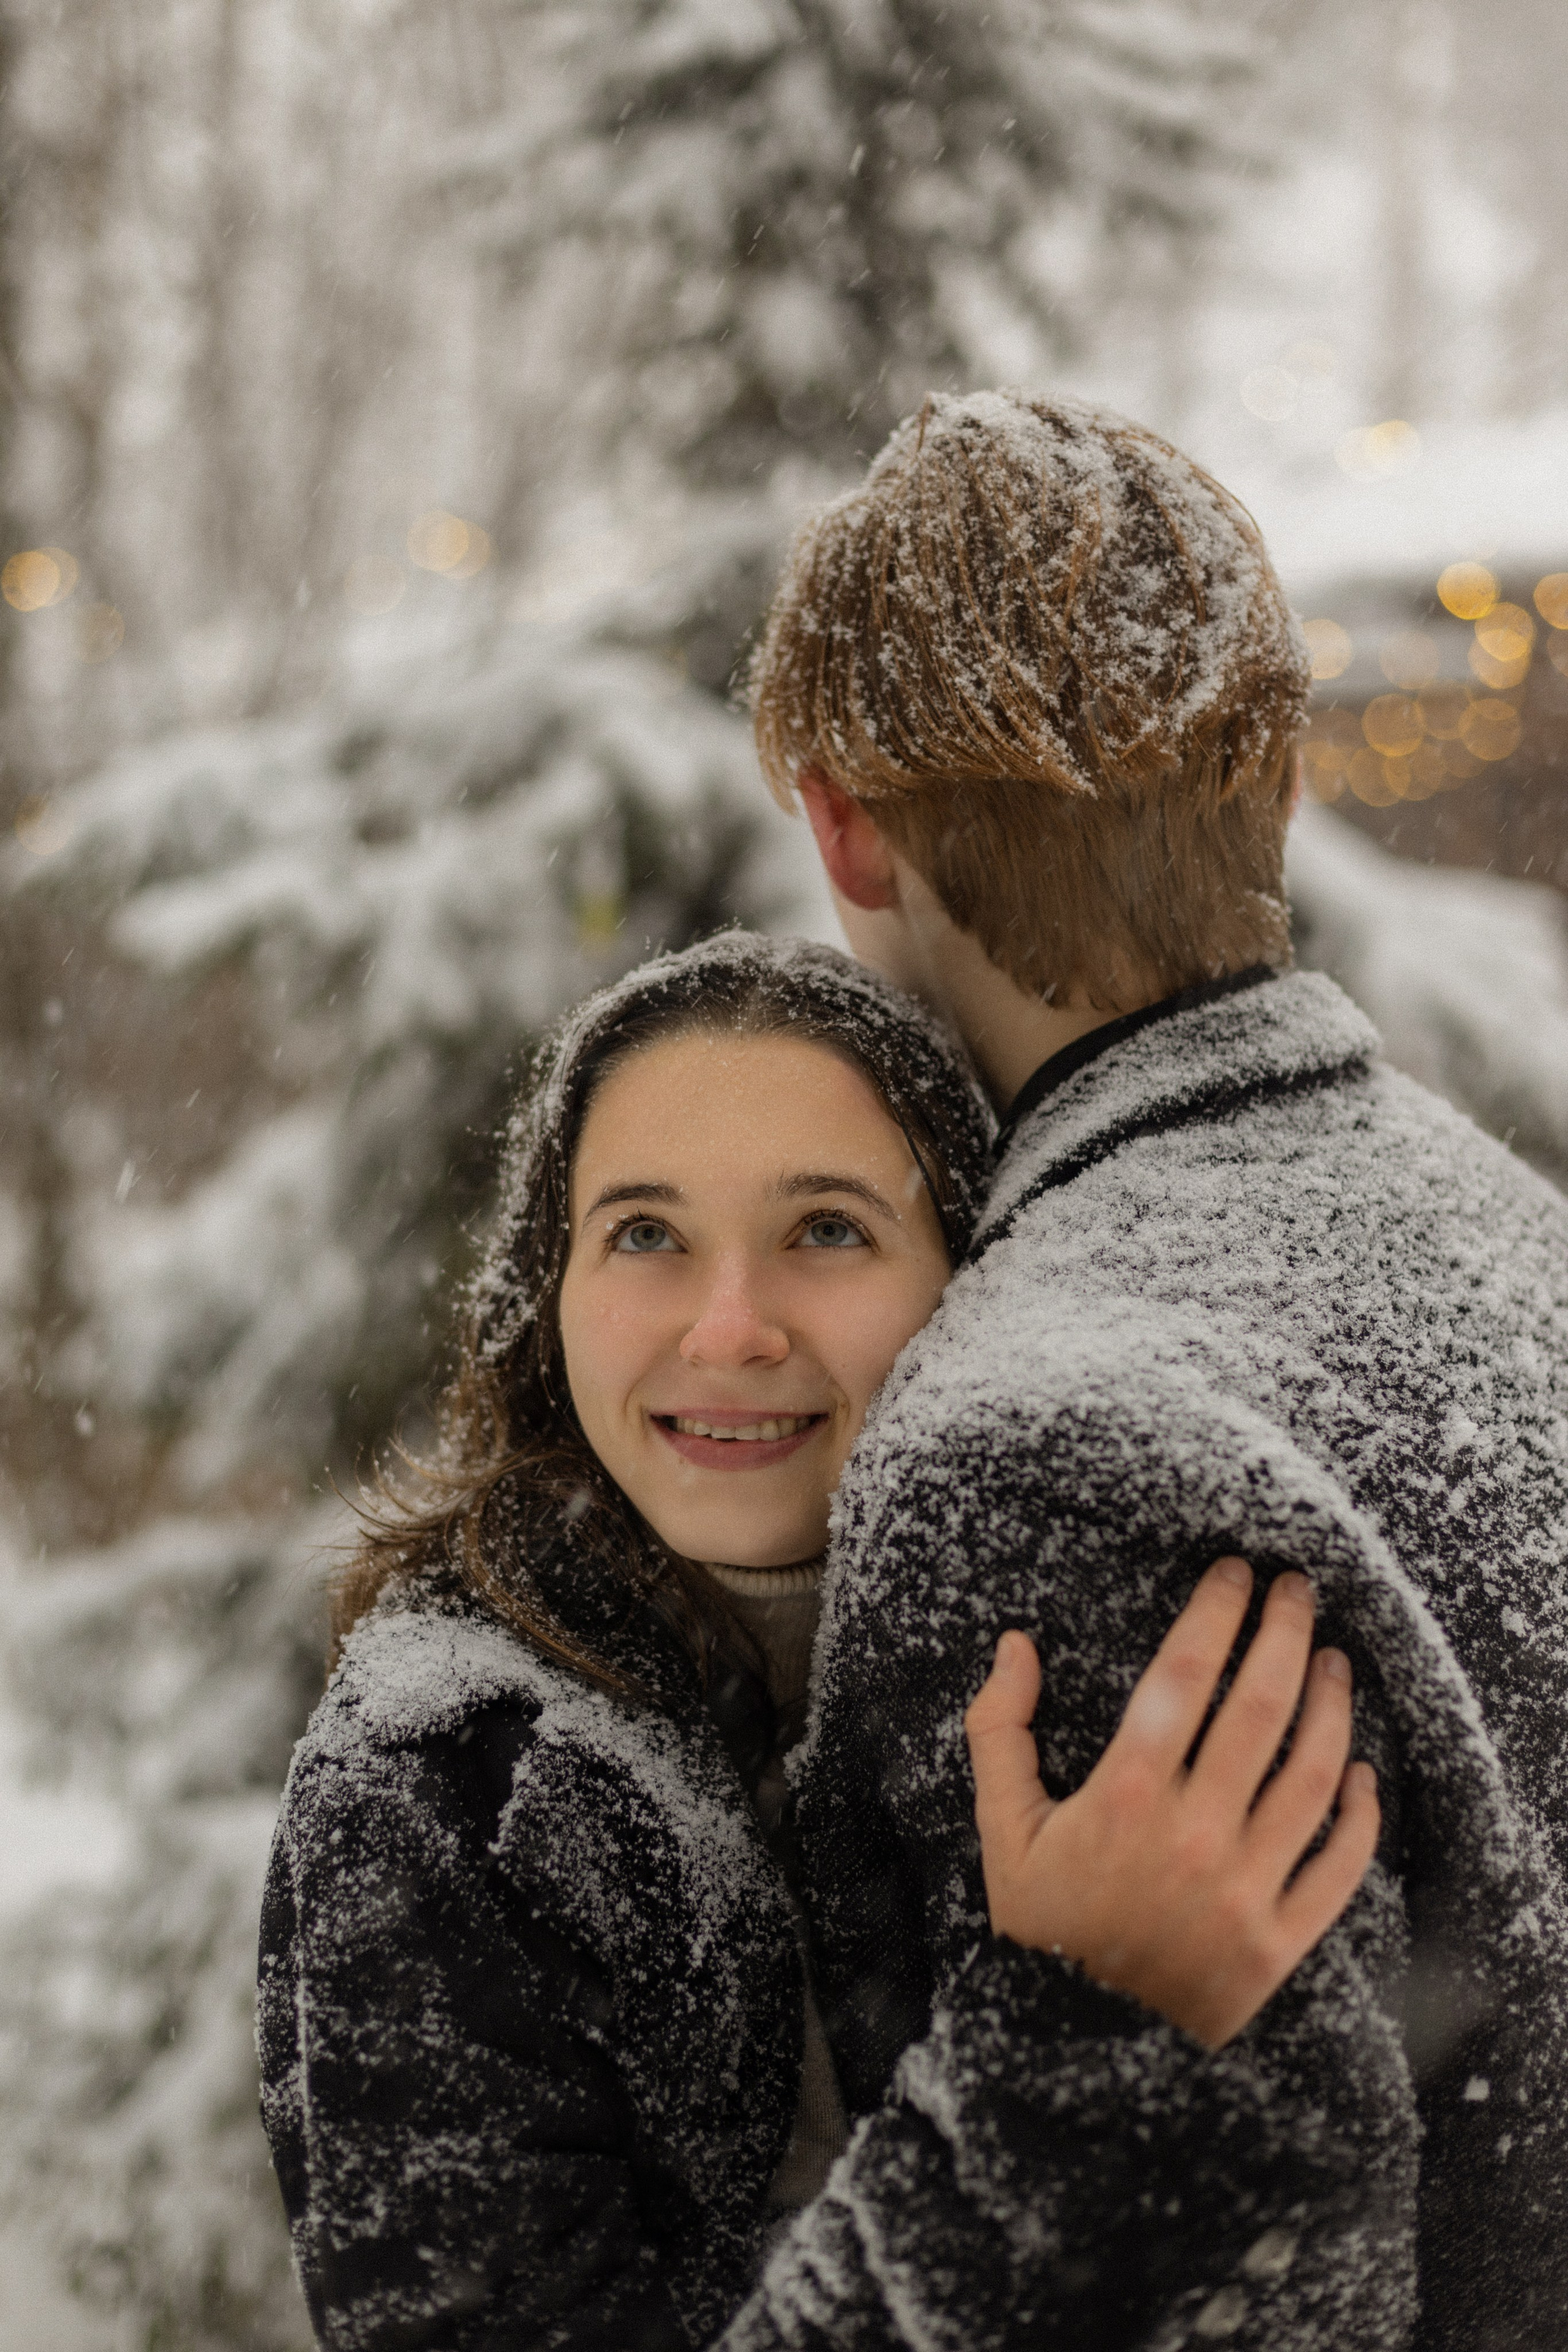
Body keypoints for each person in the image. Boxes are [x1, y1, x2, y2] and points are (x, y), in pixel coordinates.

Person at [746, 390, 1568, 2347]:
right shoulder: (1518, 1241)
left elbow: (1242, 2283)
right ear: (1270, 786)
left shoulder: (1044, 1442)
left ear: (847, 829)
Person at [257, 931, 1376, 2351]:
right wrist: (1071, 2059)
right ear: (550, 1291)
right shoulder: (435, 1783)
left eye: (827, 1230)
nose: (728, 1331)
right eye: (645, 1234)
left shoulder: (1088, 1666)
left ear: (971, 1278)